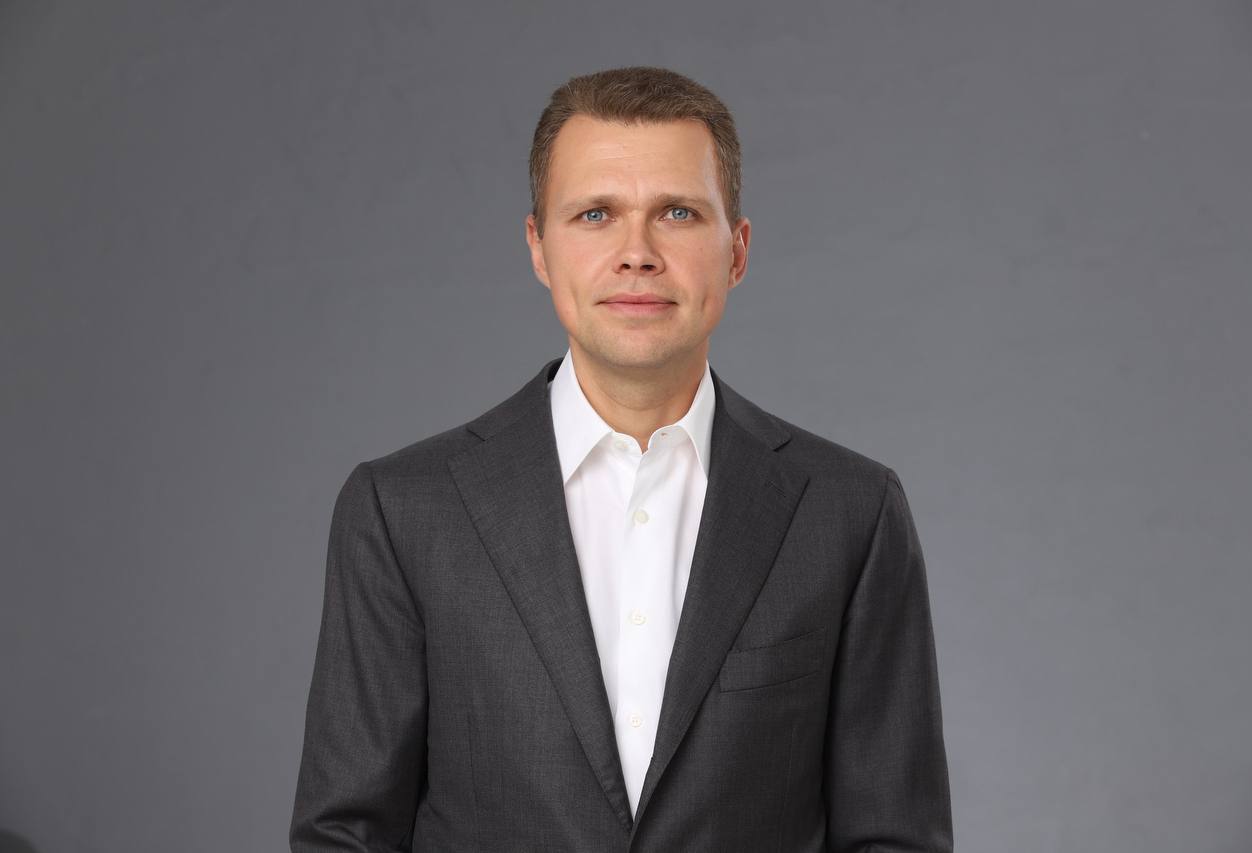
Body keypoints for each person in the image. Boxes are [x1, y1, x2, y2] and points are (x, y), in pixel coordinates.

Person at [289, 65, 952, 852]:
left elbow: (895, 837)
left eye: (677, 212)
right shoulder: (403, 512)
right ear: (539, 248)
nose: (637, 252)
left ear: (737, 251)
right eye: (596, 213)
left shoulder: (850, 512)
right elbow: (345, 834)